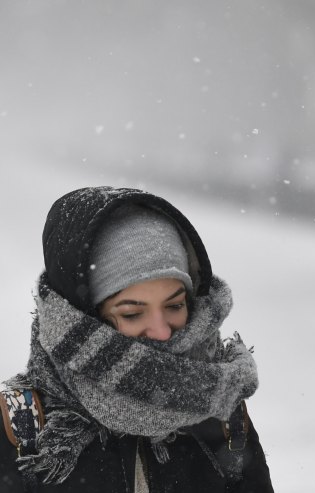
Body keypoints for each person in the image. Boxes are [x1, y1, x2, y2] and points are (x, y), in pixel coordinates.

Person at [0, 186, 274, 492]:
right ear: (80, 317)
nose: (161, 331)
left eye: (174, 305)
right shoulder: (24, 432)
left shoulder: (222, 415)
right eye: (132, 313)